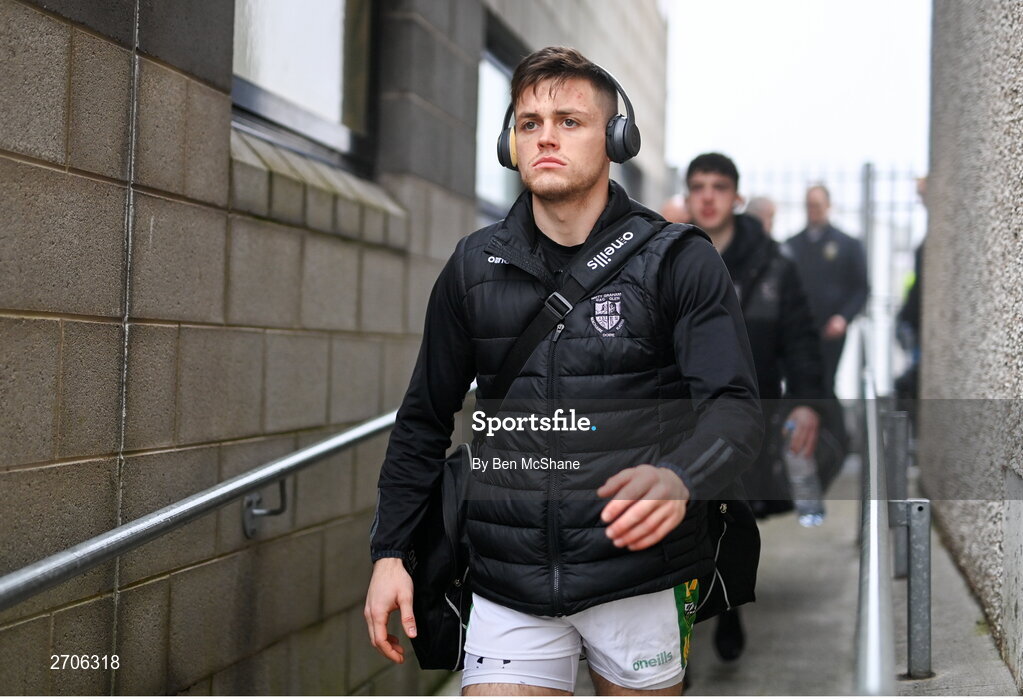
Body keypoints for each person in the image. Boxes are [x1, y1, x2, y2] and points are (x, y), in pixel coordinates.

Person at [365, 47, 763, 696]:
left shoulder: (677, 260)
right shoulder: (472, 267)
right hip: (503, 579)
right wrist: (389, 553)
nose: (545, 135)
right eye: (528, 123)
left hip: (638, 573)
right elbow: (422, 421)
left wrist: (680, 475)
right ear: (508, 144)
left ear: (615, 140)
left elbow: (735, 409)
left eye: (569, 121)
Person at [685, 153, 827, 662]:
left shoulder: (774, 264)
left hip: (748, 413)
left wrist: (808, 404)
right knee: (690, 515)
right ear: (686, 195)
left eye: (718, 186)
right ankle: (693, 627)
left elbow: (802, 341)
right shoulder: (663, 256)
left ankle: (727, 607)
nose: (708, 196)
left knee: (728, 509)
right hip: (681, 413)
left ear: (736, 197)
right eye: (698, 186)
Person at [785, 185, 869, 390]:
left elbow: (861, 288)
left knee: (826, 384)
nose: (812, 209)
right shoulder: (792, 245)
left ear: (828, 205)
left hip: (830, 329)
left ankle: (830, 422)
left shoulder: (848, 244)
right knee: (797, 384)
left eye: (817, 205)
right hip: (798, 329)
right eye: (809, 205)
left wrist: (843, 318)